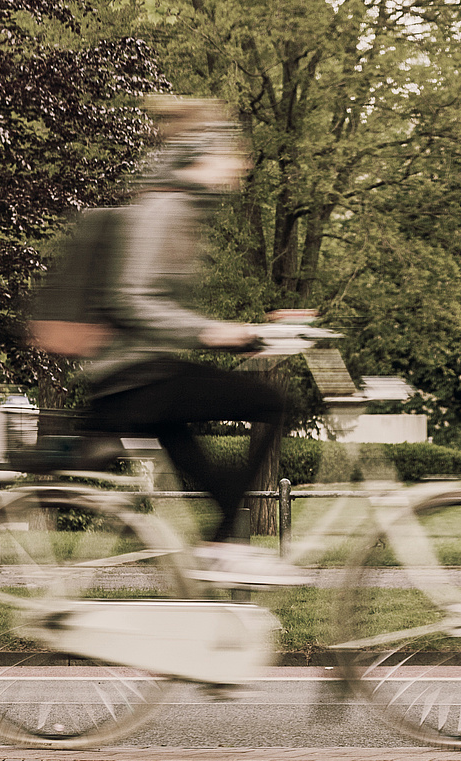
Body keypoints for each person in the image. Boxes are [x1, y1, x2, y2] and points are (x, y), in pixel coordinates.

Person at [63, 96, 296, 587]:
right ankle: (223, 547)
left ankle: (223, 549)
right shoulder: (165, 207)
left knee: (213, 482)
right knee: (273, 403)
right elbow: (131, 298)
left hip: (143, 375)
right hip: (132, 379)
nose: (243, 164)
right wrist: (211, 332)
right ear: (202, 157)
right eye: (234, 153)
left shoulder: (181, 208)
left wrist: (248, 335)